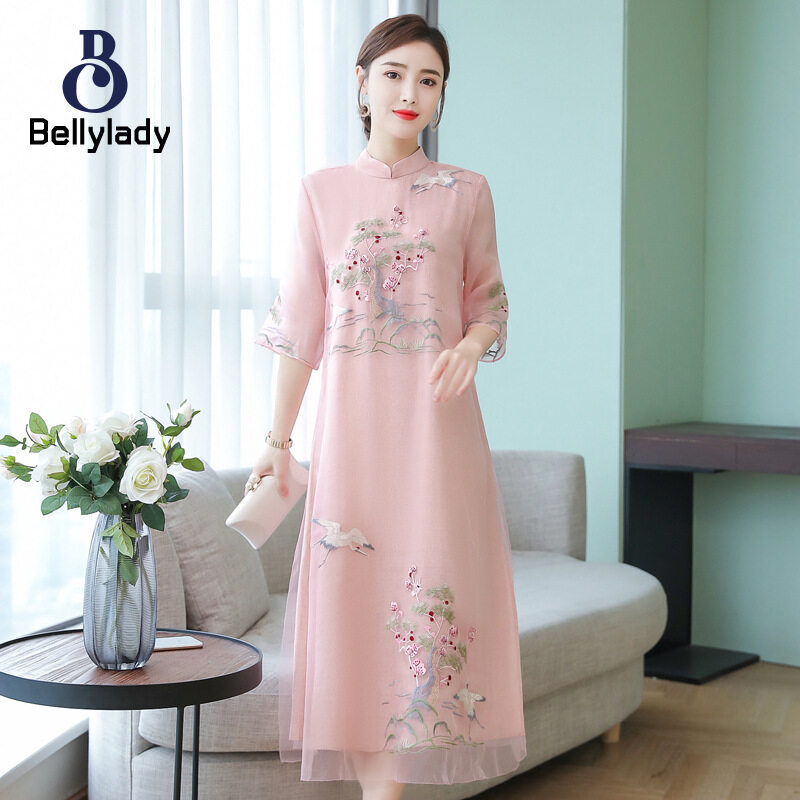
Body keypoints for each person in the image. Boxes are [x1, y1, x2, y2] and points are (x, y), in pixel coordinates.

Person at [248, 13, 525, 800]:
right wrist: (276, 440)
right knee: (357, 602)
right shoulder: (322, 193)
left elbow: (489, 302)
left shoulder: (468, 192)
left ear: (441, 97)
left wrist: (471, 345)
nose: (410, 92)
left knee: (427, 598)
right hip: (354, 440)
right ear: (362, 84)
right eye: (394, 74)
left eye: (428, 80)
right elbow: (301, 328)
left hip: (439, 435)